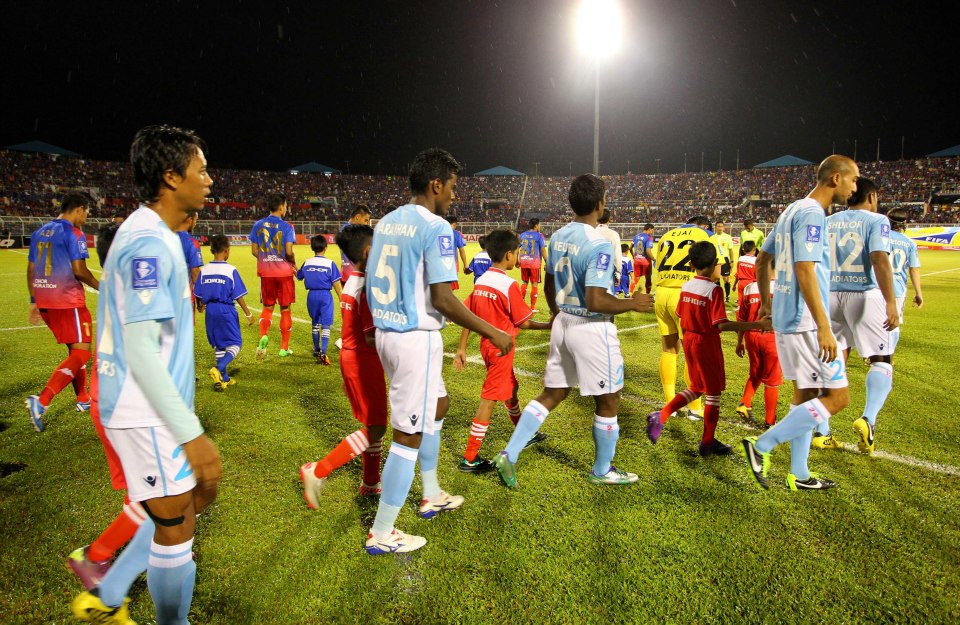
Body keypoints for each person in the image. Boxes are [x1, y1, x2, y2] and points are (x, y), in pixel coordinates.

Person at [72, 125, 222, 624]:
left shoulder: (150, 234)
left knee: (172, 515)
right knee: (177, 530)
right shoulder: (150, 245)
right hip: (144, 413)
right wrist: (192, 435)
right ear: (171, 176)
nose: (209, 179)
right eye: (201, 170)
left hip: (146, 411)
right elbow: (139, 349)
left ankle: (109, 592)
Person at [364, 148, 513, 555]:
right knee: (407, 433)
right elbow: (444, 299)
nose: (453, 194)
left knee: (439, 404)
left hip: (389, 334)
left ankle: (431, 493)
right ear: (435, 185)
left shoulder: (387, 221)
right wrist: (493, 332)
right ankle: (382, 532)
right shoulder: (437, 227)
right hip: (414, 338)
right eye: (451, 186)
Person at [493, 174, 654, 489]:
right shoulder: (598, 244)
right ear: (599, 204)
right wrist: (633, 302)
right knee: (609, 399)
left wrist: (557, 313)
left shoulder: (559, 236)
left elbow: (550, 282)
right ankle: (602, 469)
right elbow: (596, 298)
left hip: (563, 321)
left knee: (553, 392)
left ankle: (509, 454)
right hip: (591, 328)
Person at [742, 155, 859, 491]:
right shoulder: (811, 214)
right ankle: (760, 445)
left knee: (806, 395)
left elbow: (763, 259)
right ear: (836, 178)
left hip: (787, 317)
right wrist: (824, 326)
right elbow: (806, 269)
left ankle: (800, 474)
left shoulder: (792, 209)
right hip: (807, 322)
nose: (854, 188)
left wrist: (766, 303)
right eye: (852, 180)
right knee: (838, 398)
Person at [67, 222, 148, 593]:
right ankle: (99, 556)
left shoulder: (115, 291)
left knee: (143, 493)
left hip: (108, 402)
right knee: (162, 496)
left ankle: (133, 551)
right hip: (128, 409)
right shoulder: (133, 296)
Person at [646, 242, 771, 455]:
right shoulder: (713, 290)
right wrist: (757, 325)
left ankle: (662, 415)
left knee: (698, 387)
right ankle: (707, 441)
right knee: (713, 393)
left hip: (690, 340)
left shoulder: (686, 286)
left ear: (692, 264)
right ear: (715, 264)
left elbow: (680, 314)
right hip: (706, 343)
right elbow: (721, 324)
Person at [300, 224, 387, 506]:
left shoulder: (354, 279)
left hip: (354, 357)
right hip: (363, 360)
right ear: (369, 251)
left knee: (374, 423)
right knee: (376, 428)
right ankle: (318, 469)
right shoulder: (367, 287)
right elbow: (372, 337)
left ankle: (371, 483)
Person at [811, 178, 898, 454]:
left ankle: (822, 430)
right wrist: (892, 301)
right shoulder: (877, 220)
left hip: (831, 296)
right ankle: (868, 419)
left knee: (833, 359)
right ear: (871, 196)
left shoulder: (829, 220)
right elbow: (879, 259)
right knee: (881, 360)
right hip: (864, 295)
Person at [453, 230, 552, 472]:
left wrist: (462, 348)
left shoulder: (483, 279)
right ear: (508, 255)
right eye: (517, 253)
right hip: (501, 349)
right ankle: (470, 457)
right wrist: (550, 324)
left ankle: (523, 433)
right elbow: (524, 322)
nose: (518, 258)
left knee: (512, 389)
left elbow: (468, 316)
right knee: (489, 400)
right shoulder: (508, 285)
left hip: (487, 347)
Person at [25, 192, 99, 432]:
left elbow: (31, 269)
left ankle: (83, 398)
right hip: (67, 300)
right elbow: (80, 271)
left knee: (74, 349)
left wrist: (34, 299)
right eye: (86, 213)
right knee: (82, 353)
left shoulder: (39, 232)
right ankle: (42, 401)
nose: (86, 219)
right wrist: (104, 287)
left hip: (45, 299)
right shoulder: (73, 233)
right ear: (79, 209)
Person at [653, 216, 715, 421]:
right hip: (685, 295)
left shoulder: (667, 234)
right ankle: (695, 407)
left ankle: (671, 401)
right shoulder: (702, 234)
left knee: (669, 348)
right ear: (703, 225)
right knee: (692, 350)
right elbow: (715, 269)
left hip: (661, 294)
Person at [194, 234, 254, 391]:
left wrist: (200, 306)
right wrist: (248, 313)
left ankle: (223, 379)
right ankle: (219, 367)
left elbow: (198, 293)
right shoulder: (230, 270)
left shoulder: (204, 270)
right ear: (227, 251)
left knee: (219, 345)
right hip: (225, 309)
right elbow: (238, 295)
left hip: (210, 311)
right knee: (236, 343)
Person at [734, 260, 782, 428]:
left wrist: (739, 342)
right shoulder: (784, 288)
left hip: (751, 335)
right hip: (771, 336)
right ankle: (770, 421)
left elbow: (741, 318)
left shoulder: (749, 288)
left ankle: (745, 403)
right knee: (772, 380)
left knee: (756, 372)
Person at [249, 193, 297, 357]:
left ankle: (264, 335)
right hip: (284, 273)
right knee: (285, 309)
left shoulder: (258, 225)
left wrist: (267, 258)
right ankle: (284, 348)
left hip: (266, 273)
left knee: (268, 307)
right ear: (282, 207)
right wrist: (293, 263)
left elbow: (254, 251)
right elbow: (289, 251)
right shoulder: (287, 226)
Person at [297, 234, 343, 365]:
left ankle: (316, 349)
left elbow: (299, 276)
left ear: (312, 248)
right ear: (326, 247)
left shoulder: (307, 262)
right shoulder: (330, 264)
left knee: (315, 322)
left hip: (311, 296)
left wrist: (294, 267)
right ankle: (323, 351)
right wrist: (341, 297)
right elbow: (335, 283)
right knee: (326, 324)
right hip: (325, 296)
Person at [884, 207, 923, 352]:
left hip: (877, 286)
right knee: (893, 323)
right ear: (904, 223)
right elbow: (914, 269)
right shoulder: (910, 243)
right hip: (898, 289)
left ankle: (872, 353)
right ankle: (888, 357)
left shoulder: (880, 237)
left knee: (874, 320)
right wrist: (918, 292)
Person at [519, 218, 548, 309]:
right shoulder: (539, 236)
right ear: (536, 225)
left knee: (524, 282)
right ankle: (532, 307)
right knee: (534, 284)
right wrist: (547, 262)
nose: (540, 226)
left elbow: (516, 248)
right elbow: (543, 250)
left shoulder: (522, 235)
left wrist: (517, 260)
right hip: (534, 263)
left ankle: (521, 305)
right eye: (539, 224)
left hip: (523, 261)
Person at [339, 205, 371, 284]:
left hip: (346, 274)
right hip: (354, 276)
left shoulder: (344, 229)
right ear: (357, 217)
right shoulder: (352, 232)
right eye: (365, 220)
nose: (366, 224)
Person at [595, 208, 622, 289]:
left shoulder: (590, 231)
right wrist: (618, 273)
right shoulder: (613, 234)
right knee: (607, 297)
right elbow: (617, 256)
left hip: (590, 270)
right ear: (609, 219)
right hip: (607, 271)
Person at [711, 222, 735, 301]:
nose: (720, 228)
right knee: (716, 279)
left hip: (725, 259)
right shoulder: (712, 237)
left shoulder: (727, 237)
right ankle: (718, 296)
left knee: (726, 279)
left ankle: (727, 296)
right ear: (715, 227)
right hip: (716, 260)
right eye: (718, 226)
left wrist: (732, 261)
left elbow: (731, 250)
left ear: (724, 228)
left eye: (721, 226)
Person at [445, 214, 469, 291]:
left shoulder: (437, 232)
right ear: (454, 224)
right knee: (451, 289)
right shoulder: (457, 233)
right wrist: (465, 264)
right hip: (452, 265)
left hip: (439, 265)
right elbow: (461, 250)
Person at [631, 223, 654, 295]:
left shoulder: (635, 237)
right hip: (646, 261)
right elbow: (648, 250)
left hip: (637, 260)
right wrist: (653, 259)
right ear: (649, 229)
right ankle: (648, 294)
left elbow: (630, 247)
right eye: (652, 230)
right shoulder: (649, 237)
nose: (652, 232)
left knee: (636, 277)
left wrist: (633, 256)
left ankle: (629, 293)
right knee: (648, 278)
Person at [734, 240, 758, 305]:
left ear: (744, 250)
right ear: (754, 249)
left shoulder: (740, 259)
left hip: (741, 283)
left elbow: (737, 274)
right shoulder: (756, 260)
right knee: (750, 303)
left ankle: (739, 315)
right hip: (751, 283)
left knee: (741, 303)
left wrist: (734, 285)